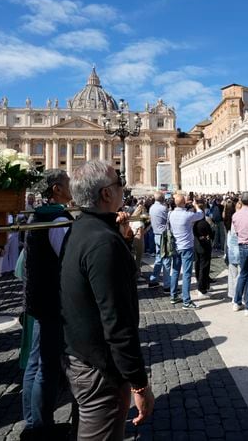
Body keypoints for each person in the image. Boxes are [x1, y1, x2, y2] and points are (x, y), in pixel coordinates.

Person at [60, 161, 154, 438]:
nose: (123, 189)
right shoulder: (103, 242)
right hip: (99, 368)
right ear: (105, 194)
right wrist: (139, 384)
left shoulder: (81, 229)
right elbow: (117, 321)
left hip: (79, 353)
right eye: (119, 184)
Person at [22, 170, 74, 438]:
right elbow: (67, 261)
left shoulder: (38, 215)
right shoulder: (58, 218)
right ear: (56, 189)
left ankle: (33, 424)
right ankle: (41, 430)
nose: (72, 187)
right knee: (48, 366)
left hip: (38, 296)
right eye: (68, 184)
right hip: (52, 300)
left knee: (35, 363)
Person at [169, 194, 205, 310]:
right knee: (187, 274)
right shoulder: (187, 215)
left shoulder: (171, 214)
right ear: (184, 203)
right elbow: (201, 214)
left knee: (175, 271)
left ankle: (173, 295)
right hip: (186, 247)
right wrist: (196, 205)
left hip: (175, 246)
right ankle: (186, 301)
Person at [148, 192, 171, 289]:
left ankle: (153, 280)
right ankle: (167, 286)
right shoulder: (163, 208)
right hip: (163, 235)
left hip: (156, 234)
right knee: (166, 259)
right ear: (163, 199)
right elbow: (168, 221)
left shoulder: (152, 207)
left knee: (158, 258)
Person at [193, 203, 214, 298]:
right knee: (203, 268)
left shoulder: (194, 222)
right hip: (204, 246)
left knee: (198, 266)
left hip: (196, 245)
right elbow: (211, 233)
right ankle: (202, 288)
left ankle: (201, 285)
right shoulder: (204, 223)